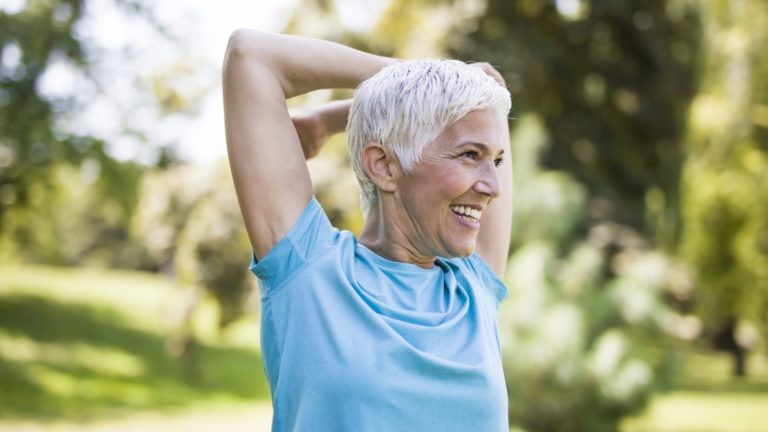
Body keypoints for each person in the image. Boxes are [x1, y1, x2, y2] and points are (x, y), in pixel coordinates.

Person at [222, 29, 513, 432]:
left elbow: (489, 92)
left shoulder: (474, 288)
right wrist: (410, 80)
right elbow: (250, 53)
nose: (494, 187)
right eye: (469, 155)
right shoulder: (309, 273)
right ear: (384, 166)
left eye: (495, 161)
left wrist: (331, 118)